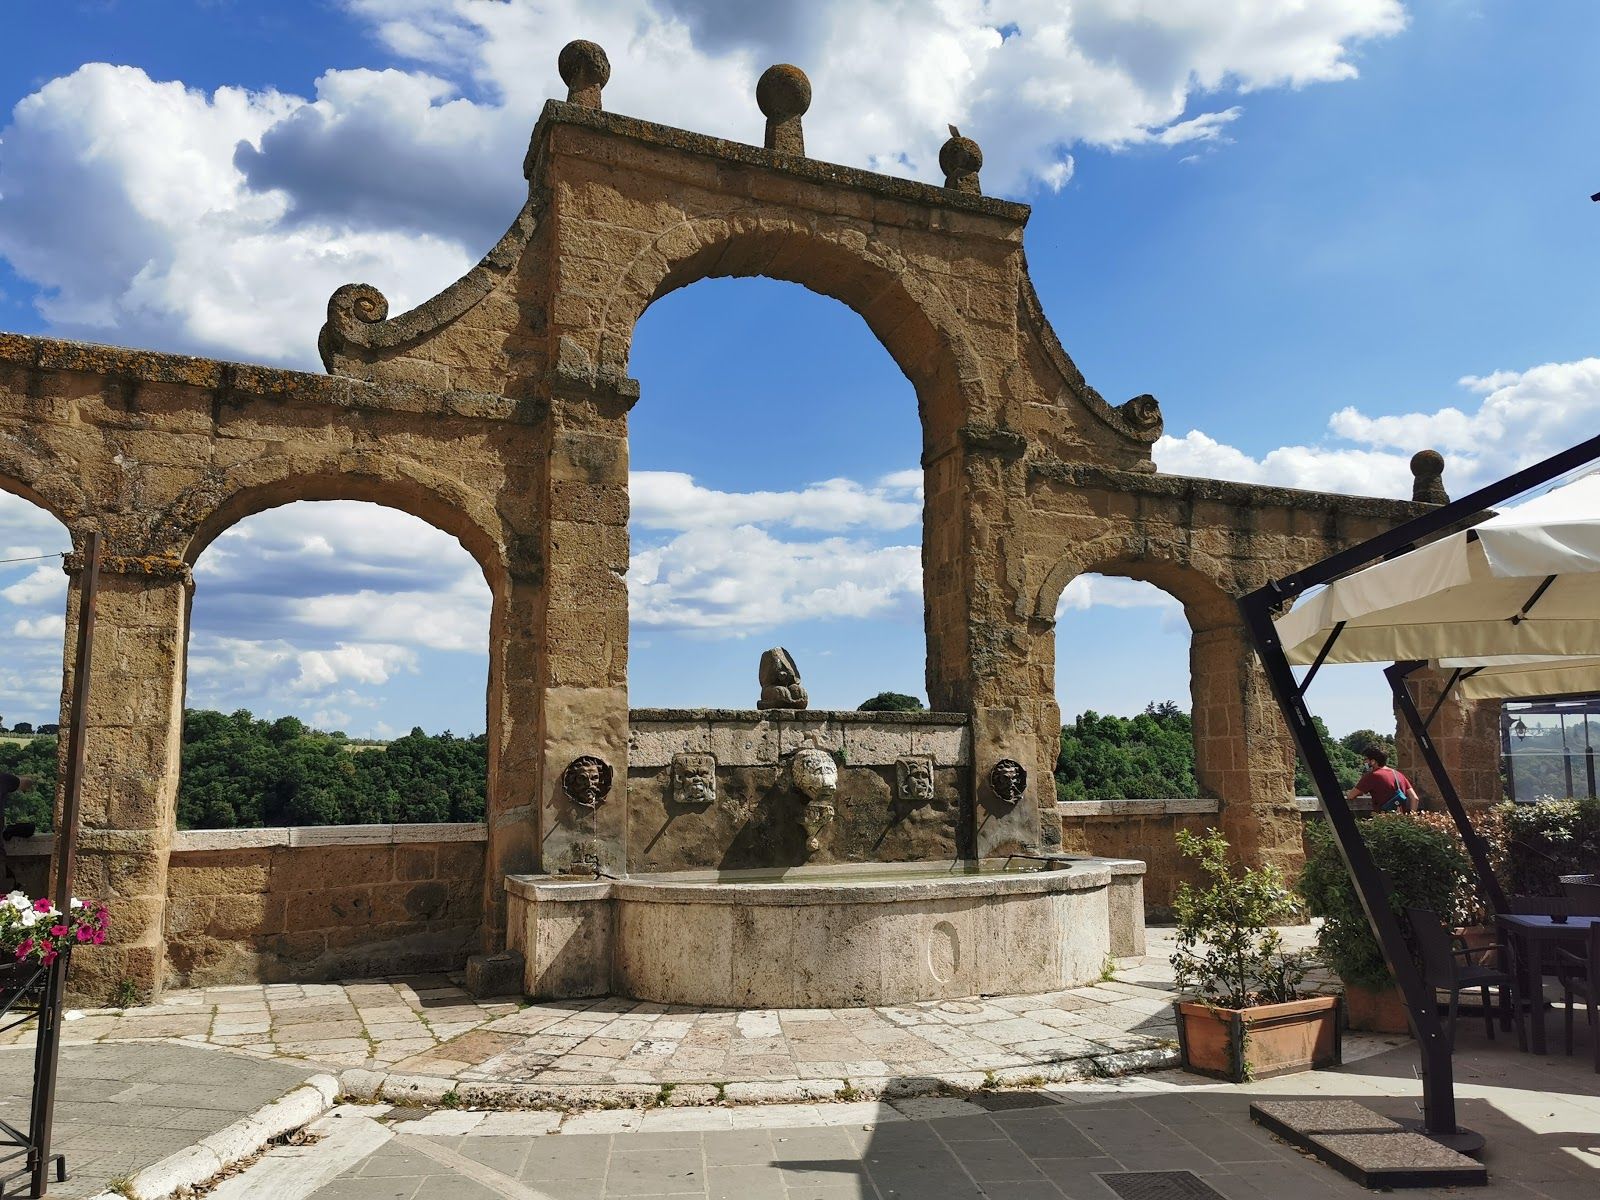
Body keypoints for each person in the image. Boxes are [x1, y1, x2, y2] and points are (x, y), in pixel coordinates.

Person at [1346, 745, 1419, 813]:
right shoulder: (1398, 774)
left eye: (1366, 759)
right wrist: (1412, 816)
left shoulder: (1371, 776)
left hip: (1383, 819)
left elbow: (1351, 796)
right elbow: (1415, 798)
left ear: (1373, 761)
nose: (1364, 762)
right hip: (1402, 820)